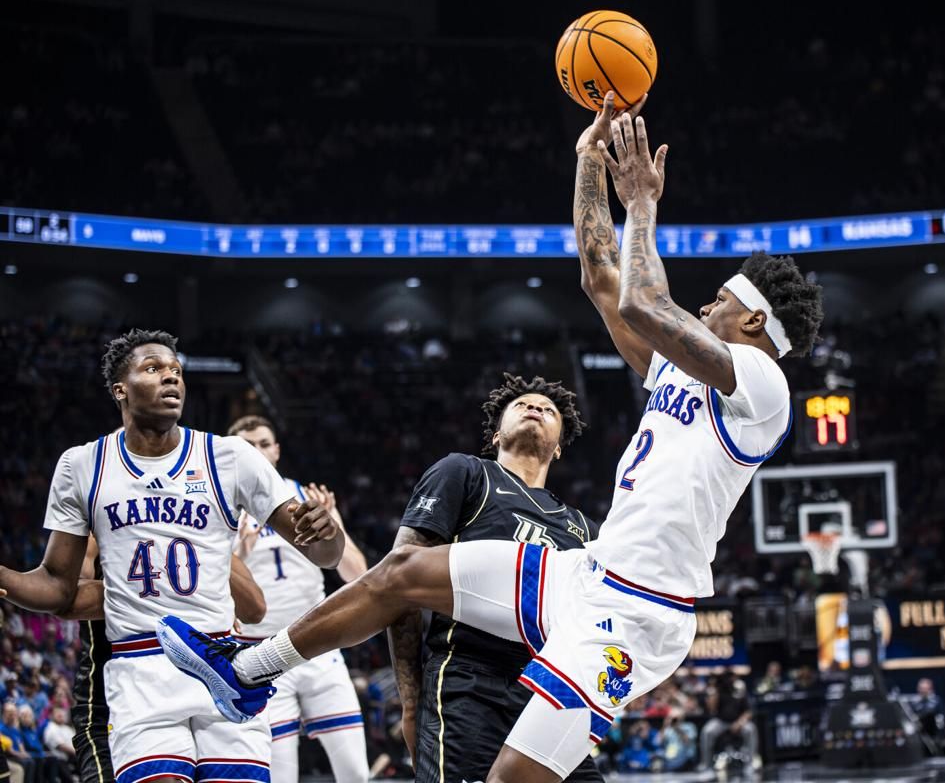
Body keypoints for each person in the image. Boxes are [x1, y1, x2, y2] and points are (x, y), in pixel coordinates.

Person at [157, 103, 821, 783]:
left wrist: (643, 204)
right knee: (401, 575)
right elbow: (602, 280)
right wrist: (587, 162)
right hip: (585, 576)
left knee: (510, 780)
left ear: (753, 318)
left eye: (717, 300)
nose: (706, 308)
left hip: (638, 613)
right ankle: (244, 672)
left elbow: (644, 305)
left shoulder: (764, 388)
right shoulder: (680, 372)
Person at [0, 328, 344, 783]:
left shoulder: (231, 456)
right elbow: (55, 585)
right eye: (153, 369)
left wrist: (327, 531)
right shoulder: (83, 464)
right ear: (120, 389)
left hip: (224, 663)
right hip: (140, 668)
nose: (171, 379)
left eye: (176, 371)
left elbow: (323, 554)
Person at [385, 374, 604, 783]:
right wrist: (411, 705)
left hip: (549, 696)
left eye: (549, 409)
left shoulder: (585, 531)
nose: (536, 408)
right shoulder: (466, 474)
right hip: (468, 682)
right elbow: (398, 584)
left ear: (558, 448)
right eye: (522, 405)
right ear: (496, 433)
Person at [228, 415, 371, 783]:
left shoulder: (308, 501)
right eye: (247, 445)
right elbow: (215, 591)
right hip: (260, 653)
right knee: (280, 776)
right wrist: (241, 553)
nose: (256, 451)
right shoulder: (222, 508)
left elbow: (357, 575)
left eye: (263, 443)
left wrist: (334, 521)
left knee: (356, 773)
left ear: (276, 450)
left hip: (317, 646)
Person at [62, 534, 266, 783]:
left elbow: (255, 609)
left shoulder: (199, 529)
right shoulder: (98, 528)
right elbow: (68, 599)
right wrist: (170, 594)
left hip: (200, 688)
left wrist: (211, 577)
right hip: (113, 695)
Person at [699, 673, 757, 771]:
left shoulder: (740, 690)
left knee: (751, 729)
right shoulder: (718, 691)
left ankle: (750, 764)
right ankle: (706, 764)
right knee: (707, 731)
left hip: (738, 721)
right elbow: (712, 709)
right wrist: (714, 691)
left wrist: (739, 723)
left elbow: (748, 711)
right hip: (721, 721)